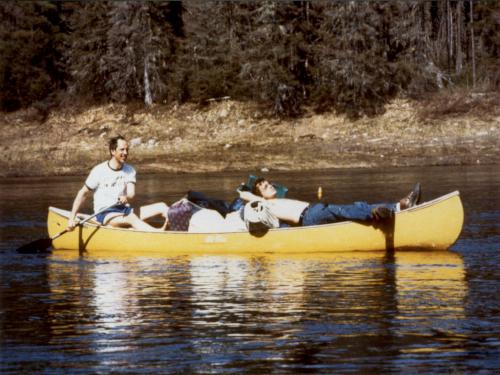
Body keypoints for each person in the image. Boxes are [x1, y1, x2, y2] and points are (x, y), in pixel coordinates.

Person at [67, 135, 164, 232]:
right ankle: (160, 234)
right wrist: (71, 219)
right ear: (113, 151)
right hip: (105, 214)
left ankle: (175, 232)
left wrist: (127, 197)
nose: (125, 153)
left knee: (162, 206)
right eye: (122, 150)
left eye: (127, 150)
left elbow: (131, 194)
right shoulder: (99, 170)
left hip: (124, 211)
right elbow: (83, 193)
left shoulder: (130, 170)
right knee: (132, 218)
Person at [239, 177, 422, 227]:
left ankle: (396, 207)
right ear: (260, 195)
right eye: (264, 186)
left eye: (269, 183)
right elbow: (247, 197)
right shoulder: (264, 204)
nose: (269, 186)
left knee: (351, 208)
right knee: (340, 210)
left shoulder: (277, 200)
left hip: (313, 211)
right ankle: (393, 208)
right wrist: (244, 191)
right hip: (309, 216)